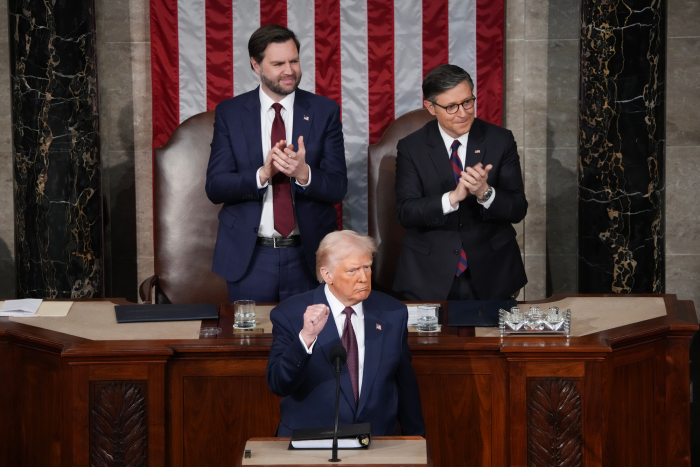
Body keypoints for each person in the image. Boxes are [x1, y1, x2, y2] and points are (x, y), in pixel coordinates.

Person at [206, 25, 347, 303]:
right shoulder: (230, 113)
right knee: (251, 344)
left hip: (309, 257)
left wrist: (304, 174)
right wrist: (263, 173)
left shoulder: (324, 111)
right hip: (251, 258)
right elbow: (215, 187)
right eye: (278, 63)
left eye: (294, 61)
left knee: (312, 343)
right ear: (256, 65)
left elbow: (338, 187)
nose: (289, 70)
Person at [266, 230, 425, 437]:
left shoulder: (393, 312)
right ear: (327, 274)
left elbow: (405, 383)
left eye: (367, 267)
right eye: (352, 271)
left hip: (377, 441)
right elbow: (278, 383)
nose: (363, 278)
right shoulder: (290, 314)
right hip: (311, 440)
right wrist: (305, 337)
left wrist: (415, 439)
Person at [393, 64, 527, 301]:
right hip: (429, 274)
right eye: (451, 107)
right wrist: (451, 199)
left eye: (468, 102)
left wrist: (485, 193)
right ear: (431, 108)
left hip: (492, 272)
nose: (463, 113)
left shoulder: (500, 140)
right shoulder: (411, 147)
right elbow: (406, 212)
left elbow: (517, 209)